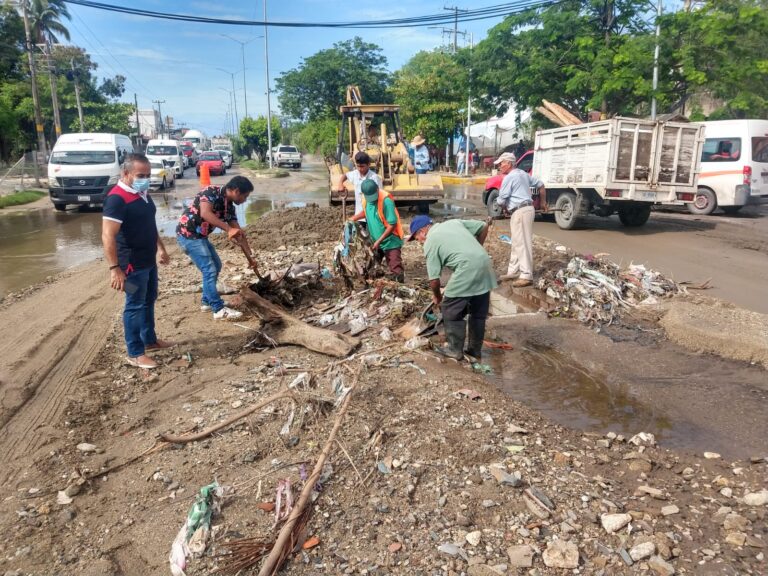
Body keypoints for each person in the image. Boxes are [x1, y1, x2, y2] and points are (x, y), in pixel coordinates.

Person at [102, 153, 172, 369]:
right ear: (125, 173)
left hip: (148, 261)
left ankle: (149, 340)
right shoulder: (117, 199)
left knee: (150, 298)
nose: (146, 179)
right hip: (130, 266)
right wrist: (115, 269)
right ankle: (135, 352)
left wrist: (161, 248)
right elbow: (107, 235)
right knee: (134, 305)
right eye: (141, 175)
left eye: (148, 174)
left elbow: (149, 224)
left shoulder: (143, 193)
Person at [407, 215, 496, 360]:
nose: (419, 242)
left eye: (417, 238)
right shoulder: (453, 223)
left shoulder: (431, 242)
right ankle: (475, 351)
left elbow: (434, 280)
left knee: (450, 308)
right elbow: (483, 226)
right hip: (485, 263)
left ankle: (455, 350)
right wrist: (477, 249)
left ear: (423, 231)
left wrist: (437, 296)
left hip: (467, 268)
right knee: (478, 312)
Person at [176, 175, 257, 320]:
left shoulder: (229, 206)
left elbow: (239, 234)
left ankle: (207, 302)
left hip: (200, 237)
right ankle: (218, 309)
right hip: (188, 235)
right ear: (236, 191)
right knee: (209, 270)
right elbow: (205, 213)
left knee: (216, 266)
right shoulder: (211, 192)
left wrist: (251, 258)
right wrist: (228, 229)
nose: (245, 200)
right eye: (245, 196)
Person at [494, 152, 546, 287]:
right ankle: (513, 271)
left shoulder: (509, 178)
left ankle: (526, 275)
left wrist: (502, 206)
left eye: (501, 163)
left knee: (522, 243)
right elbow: (541, 185)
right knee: (517, 242)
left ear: (509, 164)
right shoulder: (523, 174)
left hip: (520, 211)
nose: (499, 166)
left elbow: (501, 200)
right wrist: (543, 203)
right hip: (527, 210)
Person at [349, 179, 405, 282]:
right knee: (371, 266)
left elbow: (392, 225)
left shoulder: (386, 201)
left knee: (395, 267)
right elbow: (367, 211)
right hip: (375, 240)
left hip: (390, 240)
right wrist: (354, 218)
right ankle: (373, 286)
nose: (372, 200)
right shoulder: (366, 199)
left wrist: (379, 241)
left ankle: (400, 287)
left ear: (377, 189)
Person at [336, 151, 382, 219]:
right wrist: (340, 184)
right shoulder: (355, 174)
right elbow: (345, 175)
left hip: (373, 217)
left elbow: (380, 197)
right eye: (358, 166)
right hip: (358, 215)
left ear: (369, 164)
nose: (360, 169)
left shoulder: (375, 178)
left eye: (362, 166)